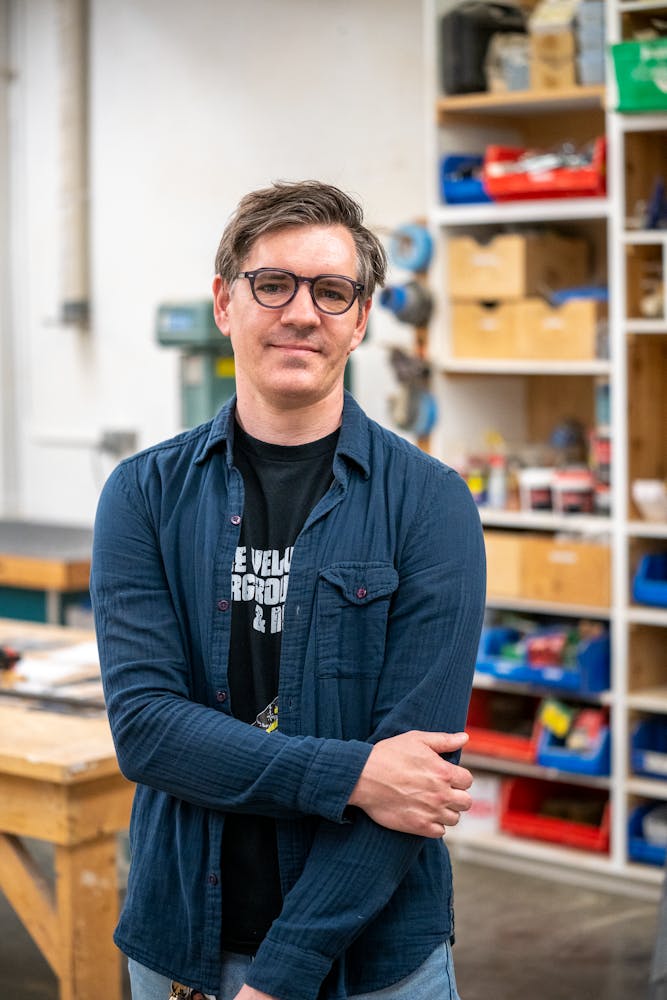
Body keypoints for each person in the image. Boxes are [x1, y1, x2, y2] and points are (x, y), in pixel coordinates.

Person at [90, 179, 486, 1000]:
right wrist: (350, 776)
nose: (302, 313)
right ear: (224, 302)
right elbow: (148, 732)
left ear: (362, 317)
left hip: (378, 962)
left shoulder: (430, 502)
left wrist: (281, 977)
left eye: (331, 291)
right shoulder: (143, 496)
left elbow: (414, 785)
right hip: (182, 952)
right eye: (273, 284)